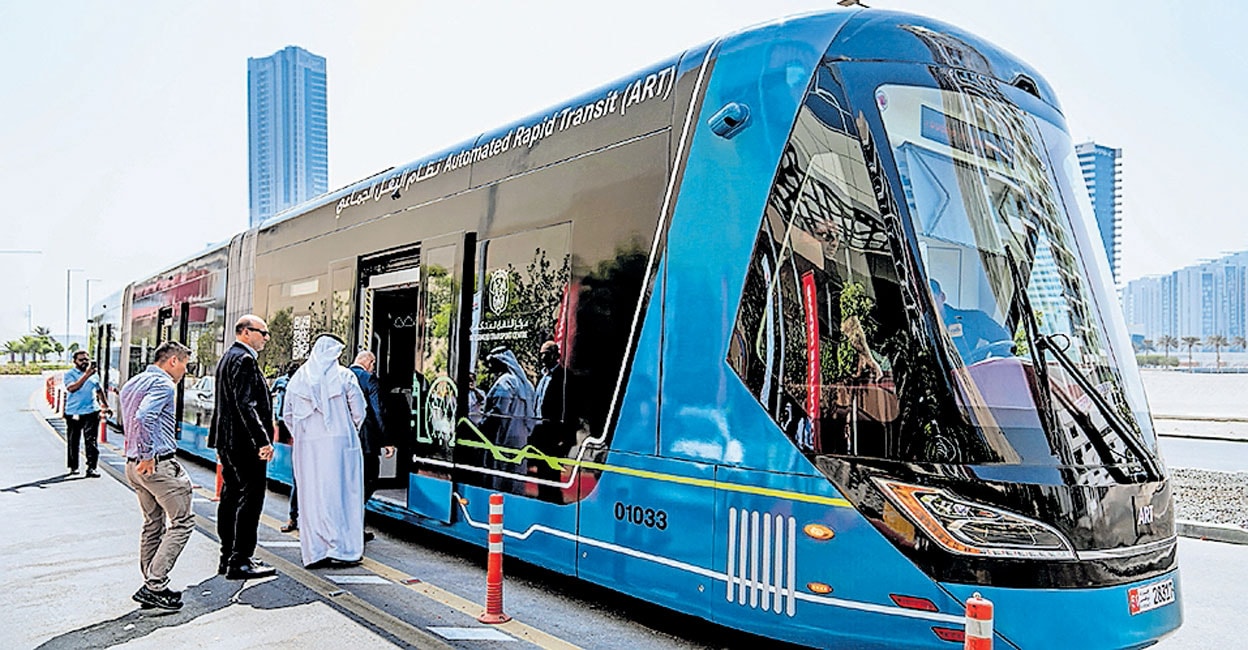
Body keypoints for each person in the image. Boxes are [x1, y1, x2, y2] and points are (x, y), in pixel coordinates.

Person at [119, 341, 194, 611]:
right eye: (185, 364)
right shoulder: (164, 384)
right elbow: (144, 416)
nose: (185, 370)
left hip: (133, 466)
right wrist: (148, 453)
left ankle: (152, 585)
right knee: (183, 522)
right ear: (173, 360)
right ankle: (155, 583)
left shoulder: (133, 382)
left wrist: (140, 455)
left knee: (153, 523)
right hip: (156, 466)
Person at [284, 334, 367, 568]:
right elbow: (359, 412)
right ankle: (343, 550)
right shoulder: (345, 376)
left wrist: (305, 434)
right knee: (343, 494)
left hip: (307, 447)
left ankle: (315, 551)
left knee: (312, 495)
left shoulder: (299, 378)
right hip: (341, 445)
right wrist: (346, 430)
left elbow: (287, 415)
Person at [209, 315, 277, 580]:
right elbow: (245, 404)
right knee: (251, 498)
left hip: (228, 441)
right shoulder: (245, 360)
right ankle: (241, 560)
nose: (266, 338)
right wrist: (263, 441)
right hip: (244, 443)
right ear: (246, 332)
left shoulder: (228, 357)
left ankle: (227, 556)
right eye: (263, 333)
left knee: (230, 496)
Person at [349, 351, 396, 542]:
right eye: (373, 364)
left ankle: (350, 525)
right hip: (366, 439)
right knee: (369, 480)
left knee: (351, 483)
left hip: (345, 439)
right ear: (369, 363)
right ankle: (355, 525)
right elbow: (377, 410)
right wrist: (386, 440)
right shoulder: (369, 378)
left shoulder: (341, 375)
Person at [481, 346, 536, 487]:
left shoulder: (505, 382)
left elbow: (498, 412)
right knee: (515, 477)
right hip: (520, 438)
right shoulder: (526, 384)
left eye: (492, 362)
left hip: (504, 436)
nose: (490, 366)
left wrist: (480, 428)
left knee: (499, 476)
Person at [527, 341, 572, 501]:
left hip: (554, 435)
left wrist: (565, 438)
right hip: (539, 432)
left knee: (551, 475)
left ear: (554, 355)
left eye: (545, 353)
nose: (542, 357)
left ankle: (554, 506)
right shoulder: (544, 376)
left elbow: (570, 408)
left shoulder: (564, 377)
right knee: (541, 474)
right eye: (541, 353)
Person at [929, 279, 1012, 363]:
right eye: (926, 303)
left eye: (933, 299)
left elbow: (1002, 338)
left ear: (942, 297)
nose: (930, 306)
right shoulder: (920, 332)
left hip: (972, 373)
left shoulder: (972, 319)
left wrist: (991, 367)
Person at [63, 350, 109, 477]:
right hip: (74, 412)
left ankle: (91, 467)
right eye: (81, 360)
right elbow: (72, 388)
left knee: (91, 441)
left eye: (86, 360)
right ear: (75, 361)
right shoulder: (69, 374)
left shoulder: (94, 375)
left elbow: (99, 390)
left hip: (91, 411)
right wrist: (87, 375)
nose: (84, 362)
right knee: (74, 440)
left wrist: (105, 404)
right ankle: (73, 466)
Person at [272, 361, 301, 533]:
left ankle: (295, 518)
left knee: (299, 480)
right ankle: (293, 517)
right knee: (298, 480)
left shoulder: (303, 384)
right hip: (285, 423)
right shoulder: (286, 382)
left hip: (296, 430)